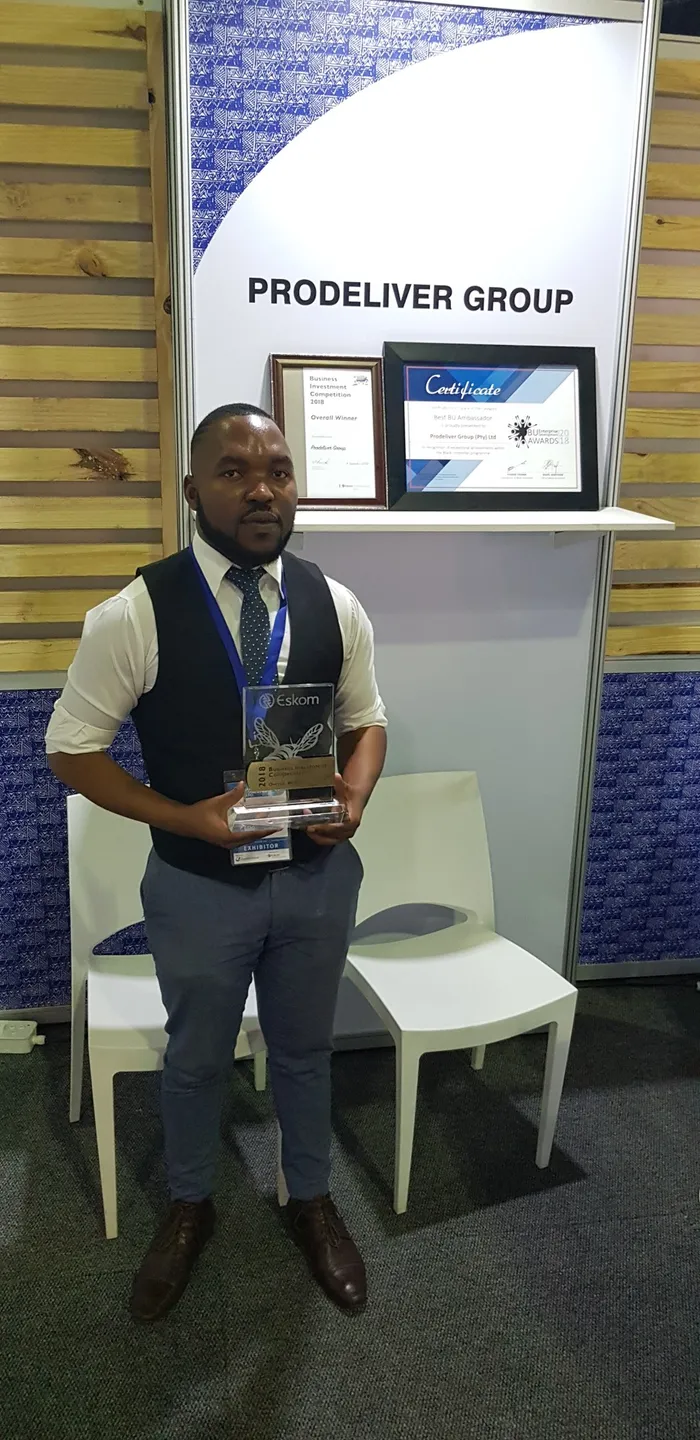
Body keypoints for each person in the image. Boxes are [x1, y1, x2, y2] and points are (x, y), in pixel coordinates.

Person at [46, 403, 387, 1322]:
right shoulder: (134, 612)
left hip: (314, 878)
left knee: (306, 1050)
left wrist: (355, 796)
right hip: (199, 888)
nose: (262, 489)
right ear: (194, 489)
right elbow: (71, 751)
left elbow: (368, 722)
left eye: (278, 470)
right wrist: (185, 819)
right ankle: (189, 1205)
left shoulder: (335, 602)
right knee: (196, 1056)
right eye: (235, 472)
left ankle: (310, 1198)